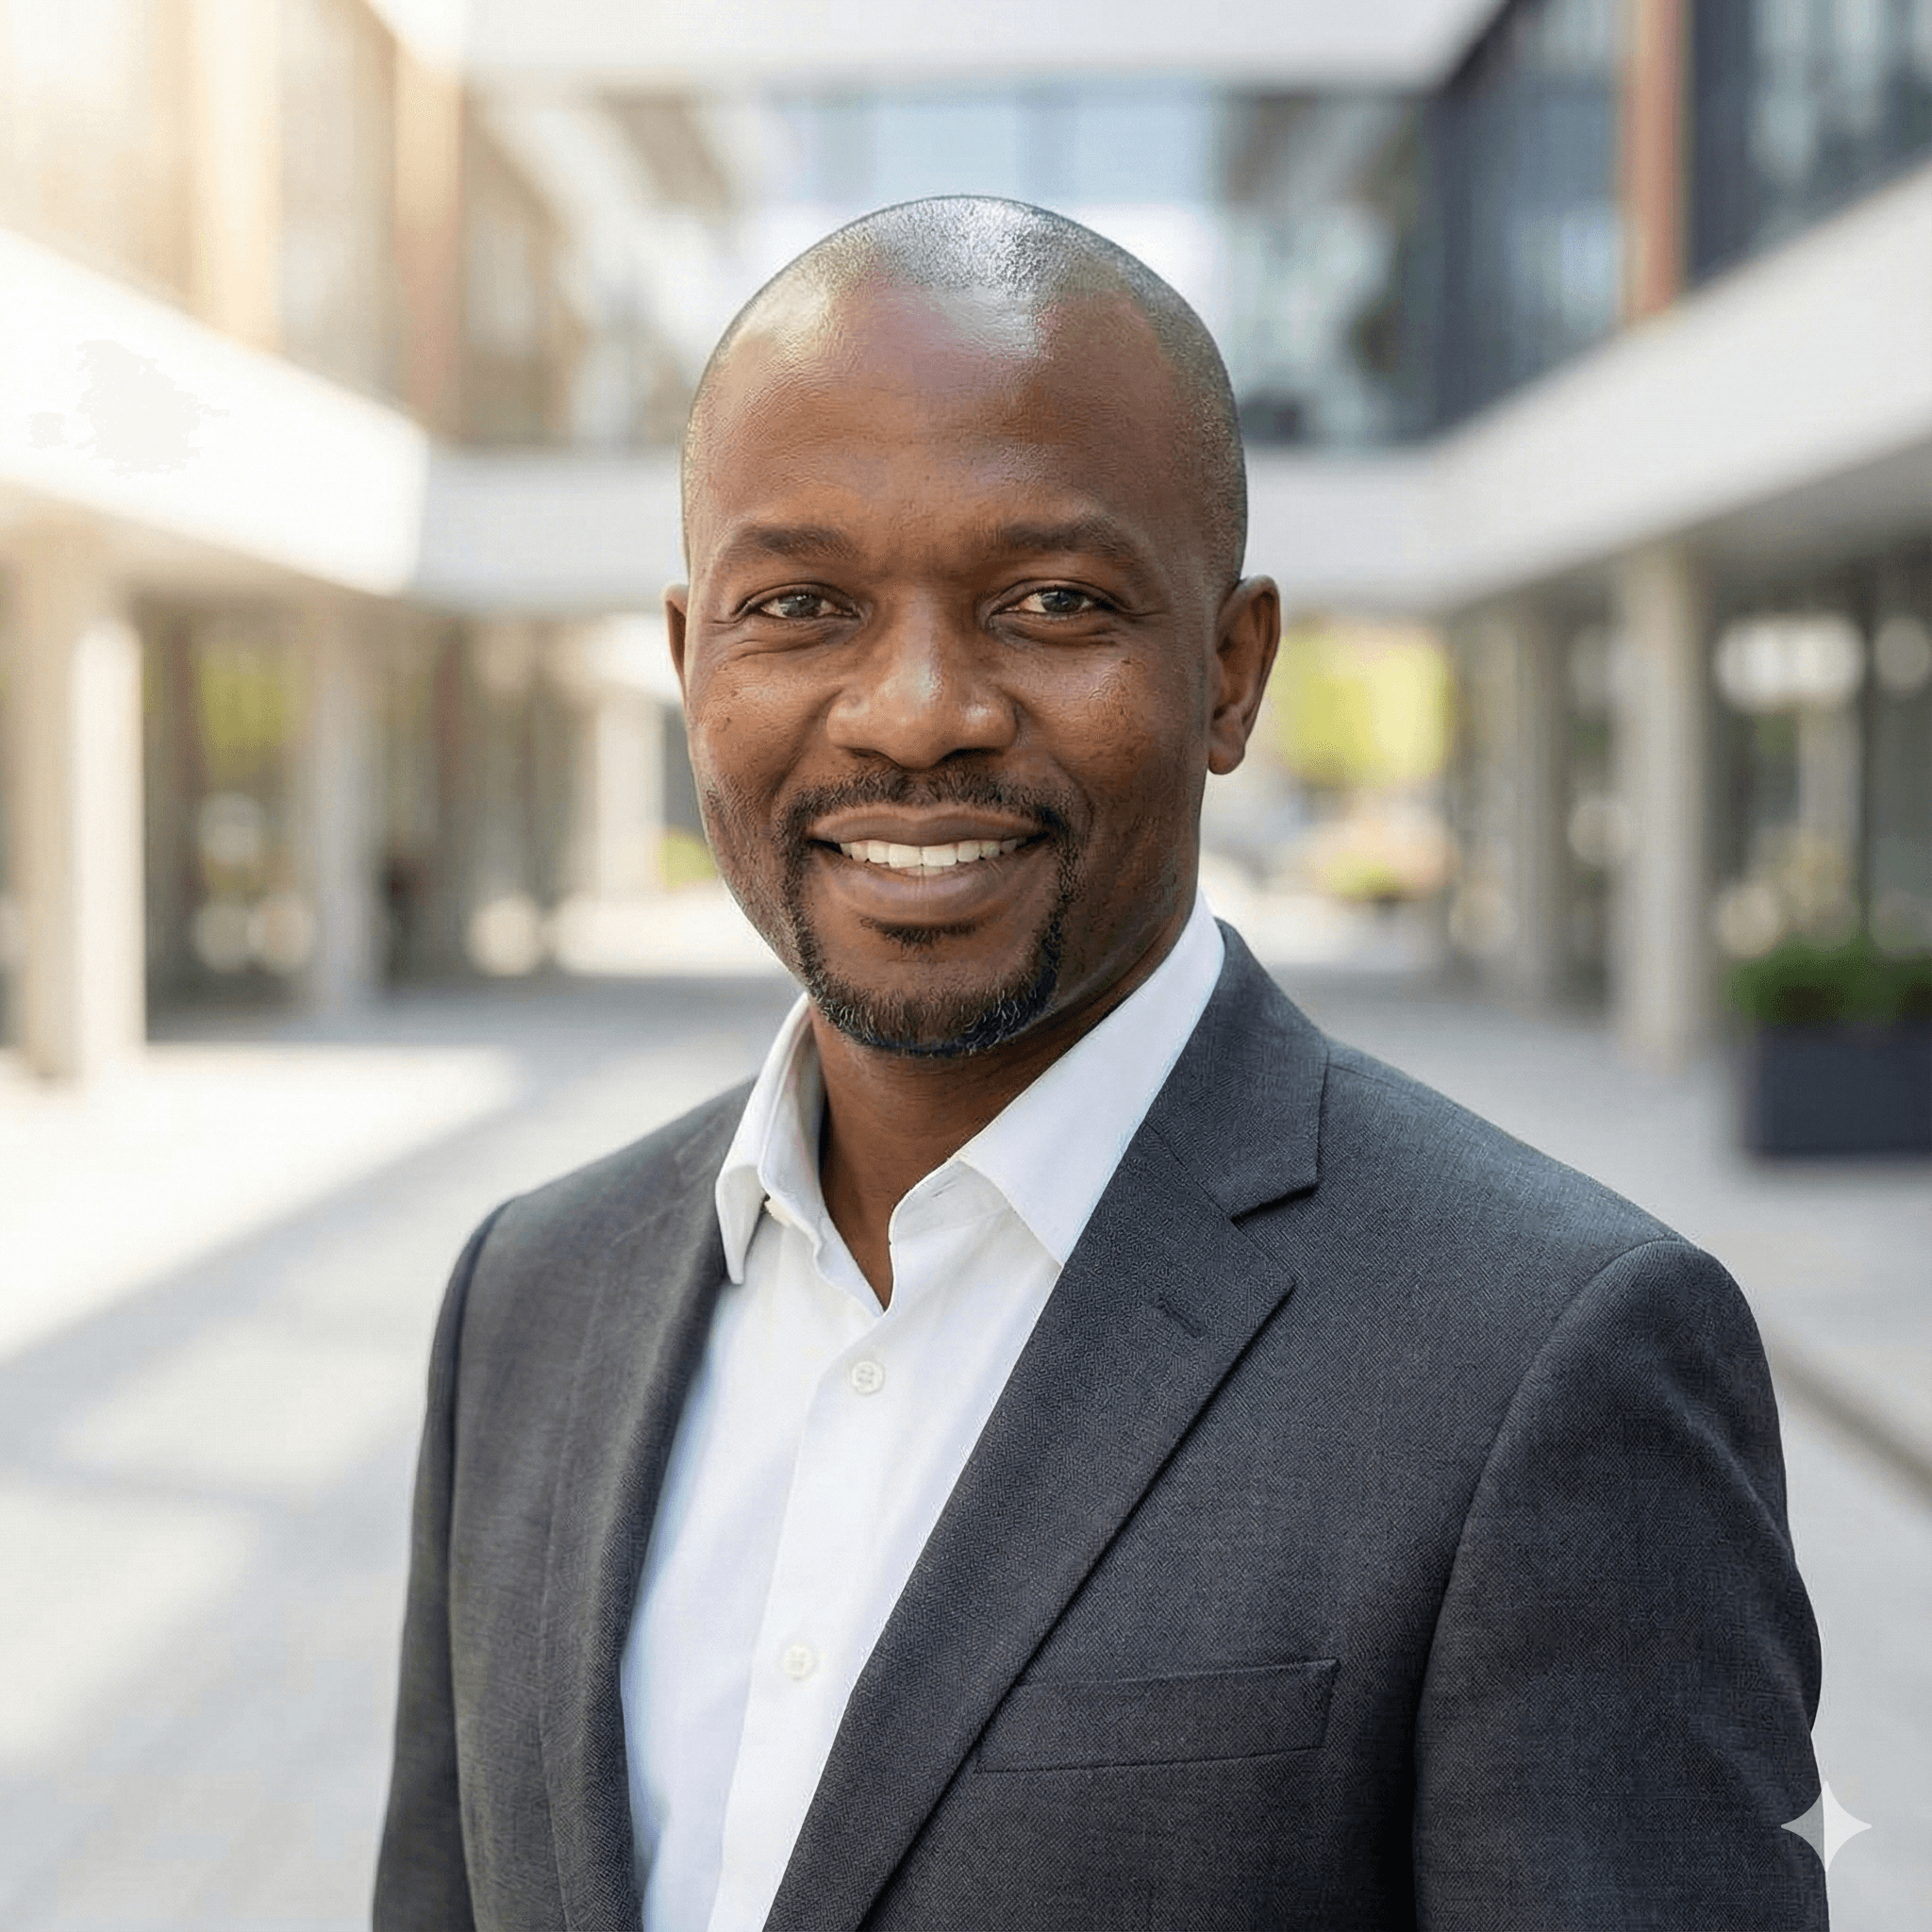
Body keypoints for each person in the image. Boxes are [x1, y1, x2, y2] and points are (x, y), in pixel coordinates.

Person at [375, 197, 1825, 1932]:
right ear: (691, 662)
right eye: (804, 605)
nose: (915, 711)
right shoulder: (530, 1297)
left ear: (1231, 671)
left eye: (1053, 601)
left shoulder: (1549, 1357)